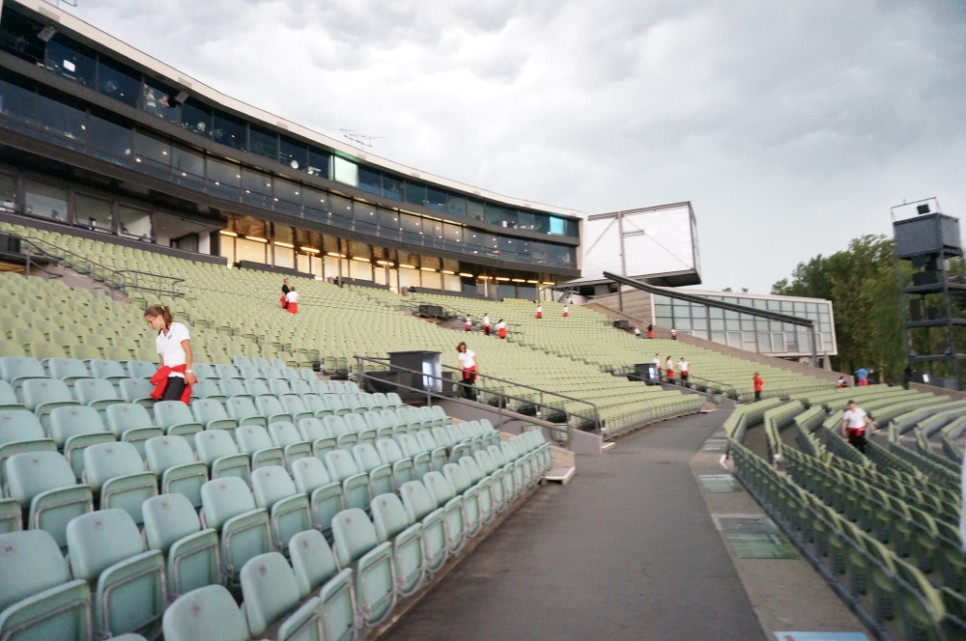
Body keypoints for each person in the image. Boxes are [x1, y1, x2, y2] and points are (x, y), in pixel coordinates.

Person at [145, 304, 196, 403]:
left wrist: (188, 372)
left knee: (168, 404)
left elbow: (188, 351)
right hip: (167, 376)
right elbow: (162, 361)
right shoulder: (159, 337)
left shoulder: (179, 328)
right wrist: (160, 374)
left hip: (179, 376)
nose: (149, 325)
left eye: (150, 322)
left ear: (159, 317)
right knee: (165, 404)